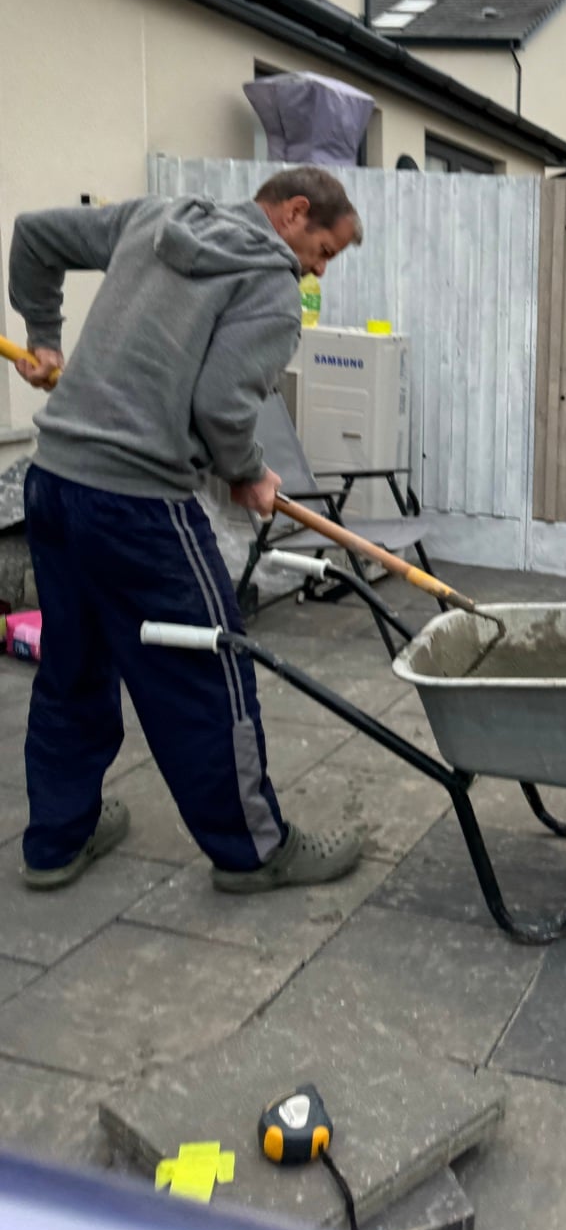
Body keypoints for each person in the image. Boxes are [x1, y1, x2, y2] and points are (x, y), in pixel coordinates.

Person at [8, 168, 365, 893]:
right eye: (324, 250)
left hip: (52, 483)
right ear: (294, 213)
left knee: (73, 665)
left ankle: (56, 839)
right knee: (210, 673)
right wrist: (248, 473)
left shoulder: (154, 217)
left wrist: (44, 337)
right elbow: (221, 406)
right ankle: (254, 852)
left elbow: (33, 237)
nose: (318, 270)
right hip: (138, 505)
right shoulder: (270, 285)